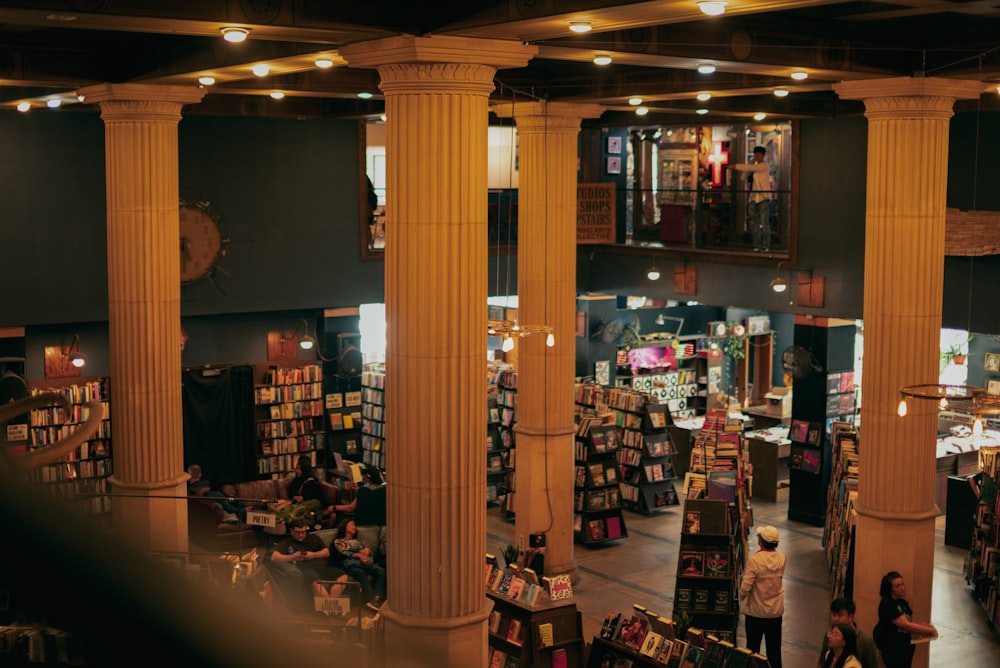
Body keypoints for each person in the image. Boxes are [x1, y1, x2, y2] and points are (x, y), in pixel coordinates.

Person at [269, 518, 347, 611]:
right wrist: (293, 557)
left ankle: (330, 606)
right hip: (306, 570)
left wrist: (313, 555)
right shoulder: (287, 542)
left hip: (322, 567)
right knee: (315, 582)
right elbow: (274, 557)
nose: (301, 535)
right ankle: (331, 609)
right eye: (298, 532)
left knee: (343, 576)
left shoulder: (313, 538)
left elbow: (326, 552)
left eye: (303, 532)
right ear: (291, 531)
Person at [739, 525, 785, 668]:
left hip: (755, 613)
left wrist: (742, 595)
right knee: (774, 649)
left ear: (761, 542)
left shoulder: (755, 560)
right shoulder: (782, 558)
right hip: (775, 612)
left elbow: (745, 587)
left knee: (752, 649)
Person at [873, 571, 938, 668]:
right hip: (893, 649)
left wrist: (923, 626)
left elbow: (907, 621)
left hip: (905, 646)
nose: (902, 588)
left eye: (902, 584)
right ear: (890, 589)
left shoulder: (901, 603)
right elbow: (905, 625)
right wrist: (929, 630)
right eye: (897, 586)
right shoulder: (887, 604)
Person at [333, 518, 386, 608]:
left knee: (381, 571)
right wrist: (359, 556)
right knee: (361, 573)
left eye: (354, 525)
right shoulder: (339, 541)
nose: (354, 527)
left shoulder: (357, 541)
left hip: (362, 563)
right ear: (345, 526)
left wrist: (367, 551)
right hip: (350, 565)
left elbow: (366, 551)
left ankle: (377, 598)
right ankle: (372, 600)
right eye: (352, 525)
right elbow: (344, 552)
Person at [816, 597, 879, 668]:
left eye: (840, 615)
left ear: (851, 617)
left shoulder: (866, 642)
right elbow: (822, 662)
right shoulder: (829, 637)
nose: (835, 619)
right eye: (834, 615)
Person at [732, 145, 774, 251]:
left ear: (763, 156)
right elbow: (743, 177)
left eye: (759, 155)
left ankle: (766, 245)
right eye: (756, 155)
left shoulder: (764, 166)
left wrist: (736, 166)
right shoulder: (754, 167)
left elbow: (752, 168)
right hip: (754, 198)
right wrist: (750, 163)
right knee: (755, 223)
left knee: (764, 222)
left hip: (763, 197)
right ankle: (756, 245)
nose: (757, 157)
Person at [275, 456, 325, 526]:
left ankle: (288, 520)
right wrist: (295, 497)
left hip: (309, 503)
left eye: (299, 469)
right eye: (296, 468)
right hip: (295, 504)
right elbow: (292, 493)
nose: (297, 471)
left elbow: (314, 496)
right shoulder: (296, 480)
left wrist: (303, 498)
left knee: (299, 508)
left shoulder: (312, 482)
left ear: (305, 470)